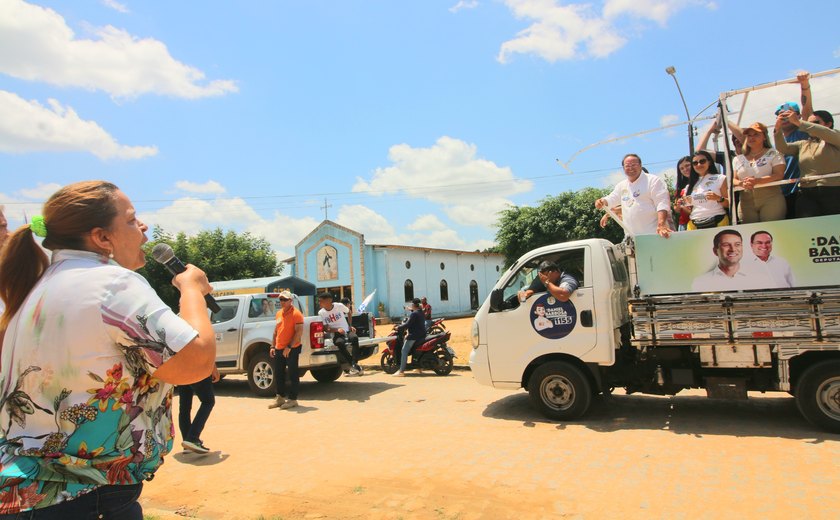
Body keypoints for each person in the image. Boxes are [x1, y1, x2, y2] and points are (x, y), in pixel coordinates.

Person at [0, 181, 216, 517]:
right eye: (131, 220)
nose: (143, 228)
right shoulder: (111, 284)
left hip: (38, 493)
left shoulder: (41, 286)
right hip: (85, 494)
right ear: (102, 238)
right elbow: (195, 361)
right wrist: (191, 291)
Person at [774, 109, 840, 217]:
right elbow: (783, 148)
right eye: (808, 123)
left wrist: (799, 122)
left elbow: (824, 132)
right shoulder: (803, 144)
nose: (810, 126)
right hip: (806, 193)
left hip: (834, 192)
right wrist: (777, 128)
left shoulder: (836, 138)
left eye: (815, 123)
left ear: (828, 124)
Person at [595, 154, 672, 238]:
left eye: (634, 165)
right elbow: (611, 199)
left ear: (640, 165)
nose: (630, 168)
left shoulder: (653, 180)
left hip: (655, 235)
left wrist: (661, 225)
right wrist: (602, 201)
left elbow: (662, 203)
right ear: (623, 168)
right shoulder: (621, 185)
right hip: (632, 238)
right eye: (627, 166)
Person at [776, 72, 815, 218]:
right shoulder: (775, 139)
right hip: (780, 194)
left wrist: (804, 85)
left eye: (788, 114)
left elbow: (808, 110)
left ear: (797, 116)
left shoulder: (802, 132)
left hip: (799, 191)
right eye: (781, 114)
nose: (784, 117)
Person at [731, 122, 786, 223]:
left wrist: (757, 181)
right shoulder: (738, 159)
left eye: (756, 134)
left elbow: (779, 175)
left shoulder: (774, 153)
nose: (752, 138)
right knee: (749, 235)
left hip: (771, 199)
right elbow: (733, 179)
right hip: (745, 203)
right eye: (749, 135)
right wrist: (741, 183)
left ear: (764, 137)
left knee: (773, 231)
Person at [690, 229, 771, 292]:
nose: (733, 249)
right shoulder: (701, 282)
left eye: (737, 244)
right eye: (726, 245)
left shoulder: (761, 279)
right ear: (715, 251)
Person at [675, 150, 730, 230]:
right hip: (694, 224)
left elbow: (729, 204)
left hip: (718, 220)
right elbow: (690, 211)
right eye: (695, 163)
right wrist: (681, 205)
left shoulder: (720, 178)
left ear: (710, 162)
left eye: (702, 161)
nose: (699, 164)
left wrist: (718, 198)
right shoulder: (688, 187)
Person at [268, 291, 304, 410]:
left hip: (292, 348)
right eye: (281, 300)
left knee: (293, 374)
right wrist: (273, 346)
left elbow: (298, 333)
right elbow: (276, 331)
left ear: (290, 301)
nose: (282, 302)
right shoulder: (279, 313)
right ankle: (280, 397)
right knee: (278, 374)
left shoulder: (296, 314)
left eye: (285, 299)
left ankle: (293, 399)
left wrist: (289, 347)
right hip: (279, 348)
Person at [178, 366, 220, 454]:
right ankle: (192, 438)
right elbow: (207, 351)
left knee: (184, 407)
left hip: (182, 369)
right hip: (198, 367)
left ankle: (187, 441)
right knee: (208, 402)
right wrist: (213, 367)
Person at [317, 292, 362, 376]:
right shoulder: (321, 313)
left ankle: (354, 363)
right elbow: (326, 328)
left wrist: (350, 325)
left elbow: (349, 312)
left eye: (321, 301)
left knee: (354, 338)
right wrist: (337, 330)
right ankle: (354, 365)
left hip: (347, 330)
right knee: (339, 342)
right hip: (336, 333)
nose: (319, 303)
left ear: (329, 301)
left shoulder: (339, 306)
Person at [394, 298, 426, 377]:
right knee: (415, 350)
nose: (411, 305)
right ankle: (418, 368)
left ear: (414, 305)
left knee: (404, 351)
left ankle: (401, 371)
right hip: (422, 335)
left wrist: (398, 327)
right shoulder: (421, 312)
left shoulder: (414, 314)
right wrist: (410, 310)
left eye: (412, 304)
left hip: (414, 336)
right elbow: (414, 315)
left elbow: (408, 324)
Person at [674, 156, 692, 231]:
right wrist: (679, 206)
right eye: (681, 168)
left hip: (700, 222)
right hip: (684, 225)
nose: (685, 169)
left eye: (687, 165)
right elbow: (676, 209)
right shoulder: (680, 188)